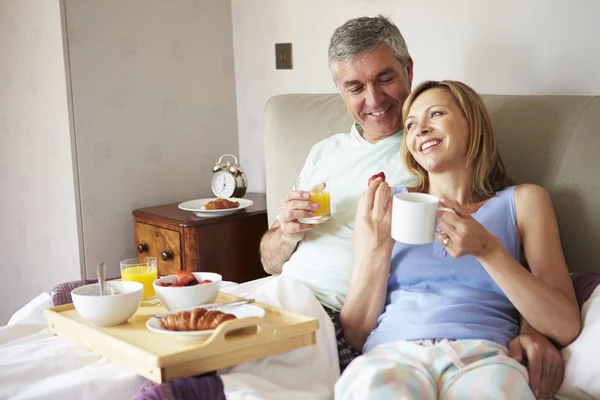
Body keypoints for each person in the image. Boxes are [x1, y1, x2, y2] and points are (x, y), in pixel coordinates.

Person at [335, 80, 581, 399]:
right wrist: (379, 247)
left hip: (486, 357)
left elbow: (565, 324)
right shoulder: (383, 206)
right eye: (410, 125)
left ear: (473, 124)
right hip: (391, 353)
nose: (420, 129)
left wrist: (489, 250)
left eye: (435, 114)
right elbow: (356, 333)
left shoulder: (524, 202)